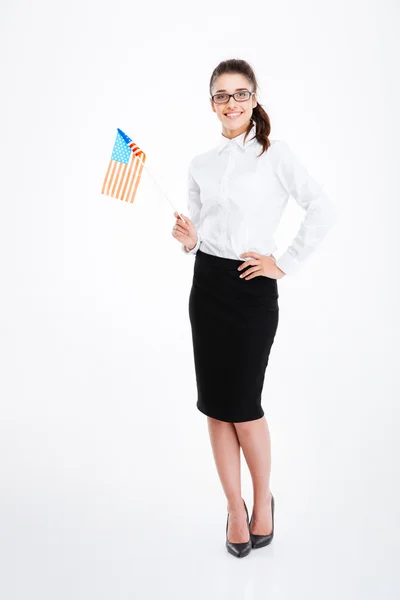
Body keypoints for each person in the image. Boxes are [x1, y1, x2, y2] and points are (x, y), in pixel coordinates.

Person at [172, 59, 337, 558]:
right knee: (217, 409)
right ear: (212, 105)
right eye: (222, 96)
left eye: (240, 94)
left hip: (250, 288)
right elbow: (200, 230)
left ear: (254, 98)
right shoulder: (201, 163)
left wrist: (282, 264)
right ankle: (235, 507)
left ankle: (263, 499)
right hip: (208, 286)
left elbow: (323, 207)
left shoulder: (275, 154)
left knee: (244, 407)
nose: (232, 103)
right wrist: (188, 240)